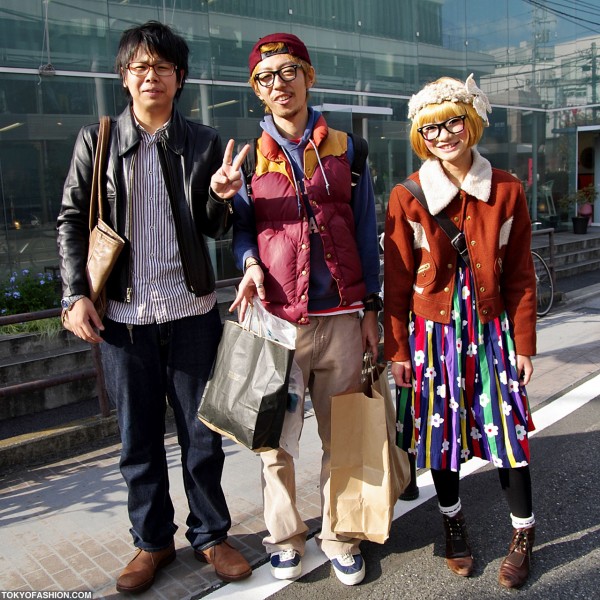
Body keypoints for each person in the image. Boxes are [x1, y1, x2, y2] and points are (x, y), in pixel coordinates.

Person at [56, 21, 252, 594]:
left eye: (161, 68)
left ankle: (212, 535)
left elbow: (219, 229)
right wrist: (74, 294)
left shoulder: (204, 142)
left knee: (202, 438)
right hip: (123, 322)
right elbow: (72, 219)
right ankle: (153, 543)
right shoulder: (97, 142)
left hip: (190, 313)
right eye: (139, 67)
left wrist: (221, 197)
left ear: (179, 77)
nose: (150, 76)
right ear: (124, 78)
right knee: (137, 441)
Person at [226, 33, 381, 586]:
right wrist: (247, 264)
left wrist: (371, 308)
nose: (279, 84)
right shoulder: (247, 160)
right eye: (266, 78)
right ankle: (284, 537)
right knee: (274, 437)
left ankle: (342, 534)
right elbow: (243, 231)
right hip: (276, 320)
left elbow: (366, 229)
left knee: (346, 433)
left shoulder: (348, 148)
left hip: (340, 313)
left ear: (309, 76)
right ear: (257, 92)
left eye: (288, 71)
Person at [384, 74, 537, 589]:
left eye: (452, 122)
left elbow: (519, 274)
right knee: (440, 433)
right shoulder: (407, 196)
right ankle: (453, 524)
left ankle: (523, 533)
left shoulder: (508, 189)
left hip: (492, 329)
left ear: (470, 122)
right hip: (434, 331)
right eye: (431, 129)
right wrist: (398, 350)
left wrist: (525, 344)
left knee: (507, 433)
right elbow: (397, 282)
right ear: (420, 136)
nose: (444, 135)